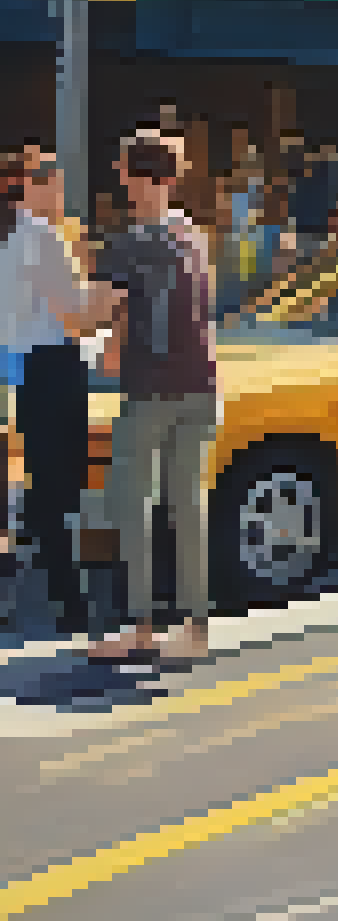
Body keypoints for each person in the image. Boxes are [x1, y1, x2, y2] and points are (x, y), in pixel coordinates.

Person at [87, 130, 222, 663]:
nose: (119, 179)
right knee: (188, 504)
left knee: (133, 504)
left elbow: (94, 313)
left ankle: (140, 626)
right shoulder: (194, 235)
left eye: (122, 170)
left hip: (149, 386)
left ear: (134, 177)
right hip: (200, 381)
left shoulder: (125, 244)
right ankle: (194, 627)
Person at [2, 146, 116, 637]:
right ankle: (70, 603)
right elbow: (75, 311)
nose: (61, 188)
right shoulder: (41, 235)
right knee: (57, 490)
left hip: (23, 367)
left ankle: (43, 584)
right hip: (54, 366)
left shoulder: (12, 236)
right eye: (52, 177)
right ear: (32, 184)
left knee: (40, 485)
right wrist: (114, 297)